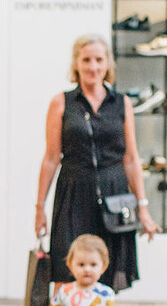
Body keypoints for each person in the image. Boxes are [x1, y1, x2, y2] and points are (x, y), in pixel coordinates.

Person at [34, 35, 159, 292]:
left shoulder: (121, 102)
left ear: (107, 64)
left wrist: (142, 207)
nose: (93, 66)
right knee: (66, 267)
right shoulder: (61, 102)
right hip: (73, 192)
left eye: (99, 60)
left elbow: (131, 159)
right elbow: (50, 158)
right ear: (76, 64)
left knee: (106, 270)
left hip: (115, 193)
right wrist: (39, 208)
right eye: (86, 60)